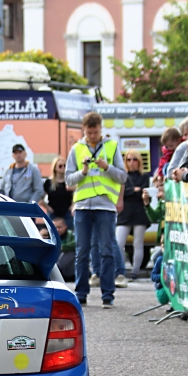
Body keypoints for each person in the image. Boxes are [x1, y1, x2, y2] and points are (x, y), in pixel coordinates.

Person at [65, 111, 127, 308]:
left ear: (101, 129)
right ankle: (81, 293)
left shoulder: (111, 146)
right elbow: (68, 180)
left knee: (106, 249)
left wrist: (107, 167)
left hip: (105, 206)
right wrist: (83, 172)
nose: (92, 136)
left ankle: (107, 295)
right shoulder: (76, 148)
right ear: (84, 130)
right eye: (89, 133)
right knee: (82, 251)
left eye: (96, 132)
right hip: (83, 205)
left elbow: (123, 177)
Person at [117, 149, 151, 281]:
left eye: (134, 159)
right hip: (125, 212)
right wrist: (133, 190)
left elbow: (143, 192)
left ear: (139, 161)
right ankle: (120, 270)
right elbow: (121, 193)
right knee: (119, 243)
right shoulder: (123, 176)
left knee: (138, 243)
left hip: (139, 212)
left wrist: (129, 191)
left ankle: (135, 272)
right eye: (129, 159)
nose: (131, 162)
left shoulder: (144, 176)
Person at [43, 156, 72, 226]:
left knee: (69, 232)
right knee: (52, 231)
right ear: (55, 168)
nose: (63, 168)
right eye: (60, 166)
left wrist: (73, 206)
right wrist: (48, 207)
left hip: (67, 213)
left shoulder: (69, 182)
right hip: (53, 213)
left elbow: (76, 194)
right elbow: (40, 198)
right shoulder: (49, 182)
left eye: (65, 166)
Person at [53, 216, 76, 281]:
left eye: (59, 227)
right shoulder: (49, 235)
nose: (57, 230)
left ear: (65, 227)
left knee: (70, 252)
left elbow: (77, 243)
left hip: (68, 269)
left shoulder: (71, 235)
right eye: (55, 227)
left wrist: (63, 247)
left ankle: (56, 269)